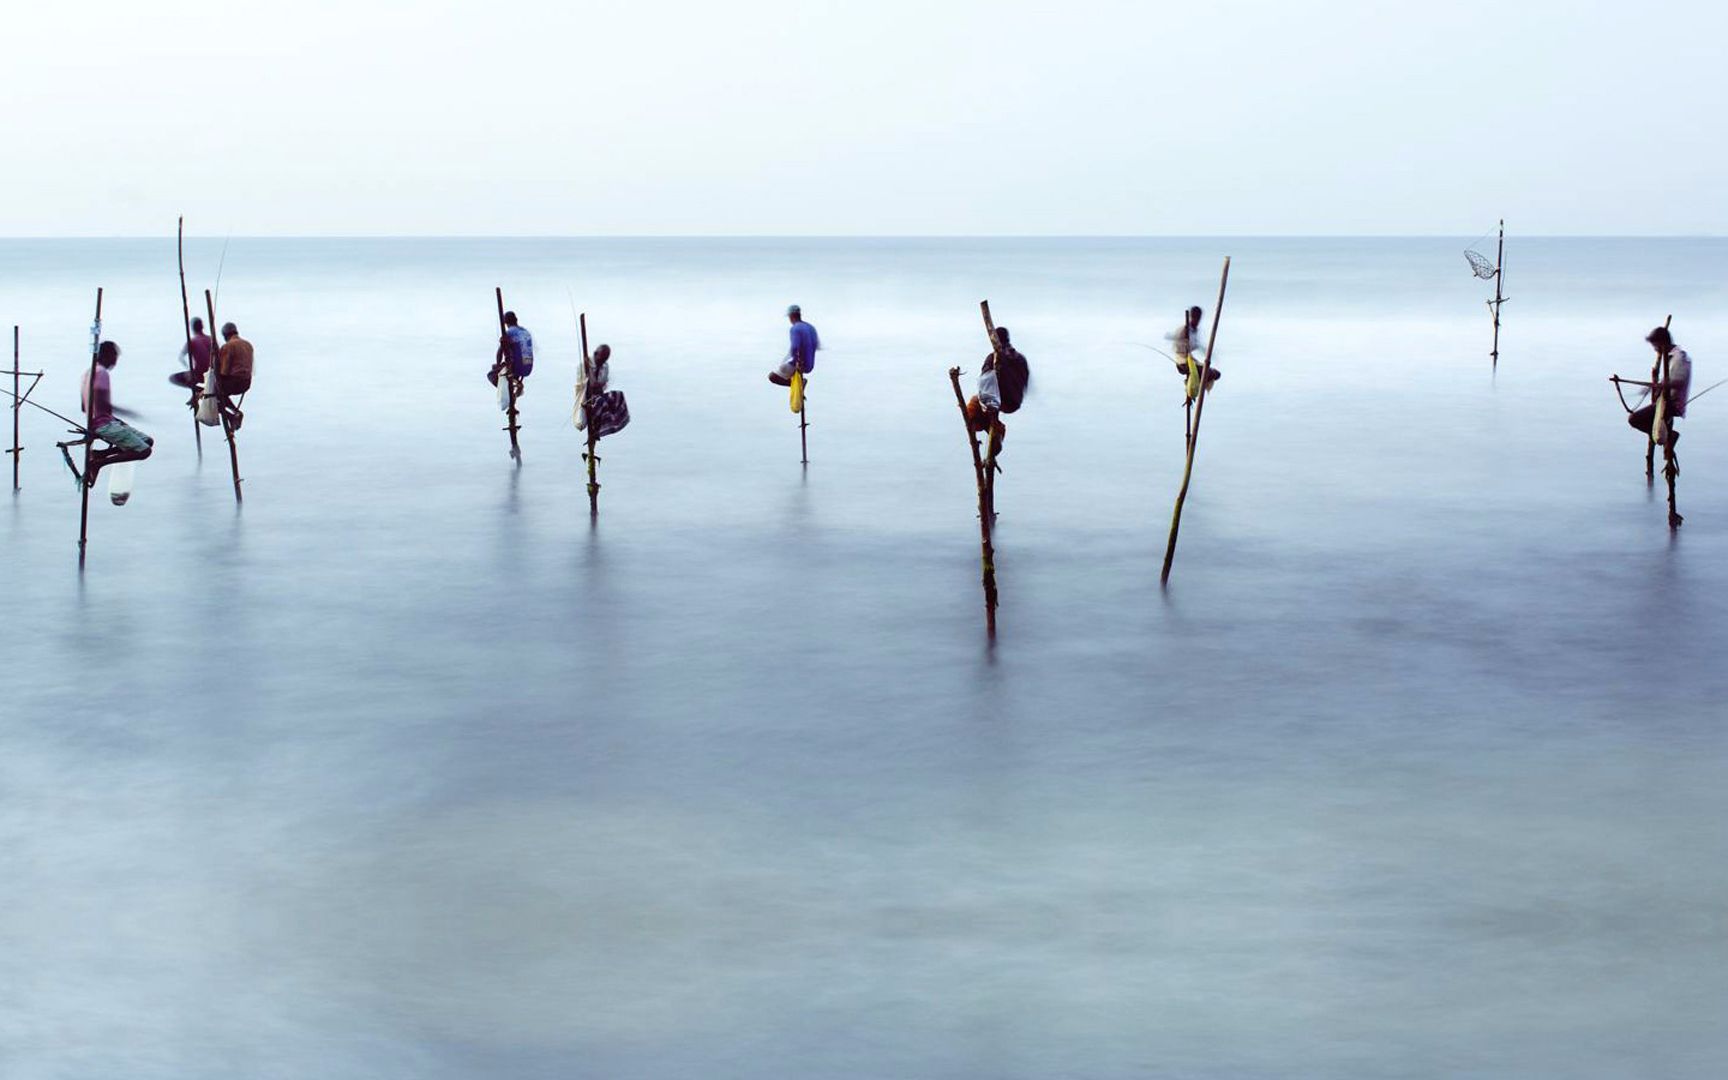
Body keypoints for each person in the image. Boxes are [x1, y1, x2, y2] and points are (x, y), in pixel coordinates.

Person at [79, 341, 153, 485]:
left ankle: (99, 454)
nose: (115, 361)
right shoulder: (102, 373)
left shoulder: (88, 373)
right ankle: (98, 463)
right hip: (103, 425)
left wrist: (114, 418)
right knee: (145, 451)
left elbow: (84, 407)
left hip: (99, 421)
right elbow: (102, 403)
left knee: (147, 441)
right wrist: (126, 412)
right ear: (107, 355)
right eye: (115, 357)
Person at [965, 326, 1030, 458]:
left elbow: (985, 382)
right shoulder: (1021, 359)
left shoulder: (994, 358)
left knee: (973, 406)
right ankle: (996, 432)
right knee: (984, 407)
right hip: (1015, 402)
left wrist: (988, 405)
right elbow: (1024, 383)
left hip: (1001, 399)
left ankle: (996, 431)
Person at [1629, 325, 1691, 449]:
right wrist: (1655, 387)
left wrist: (1660, 385)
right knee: (1647, 422)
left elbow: (1680, 381)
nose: (1655, 349)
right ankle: (1666, 435)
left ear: (1662, 343)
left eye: (1655, 345)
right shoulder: (1670, 358)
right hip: (1664, 402)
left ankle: (1669, 436)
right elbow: (1669, 381)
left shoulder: (1679, 357)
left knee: (1634, 419)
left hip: (1672, 404)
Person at [1166, 305, 1220, 402]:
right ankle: (1190, 393)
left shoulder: (1195, 331)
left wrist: (1207, 353)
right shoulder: (1185, 329)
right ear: (1191, 316)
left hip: (1191, 360)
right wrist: (1176, 338)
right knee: (1206, 372)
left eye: (1198, 318)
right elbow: (1177, 342)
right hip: (1182, 361)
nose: (1197, 320)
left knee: (1216, 374)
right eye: (1195, 317)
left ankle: (1190, 393)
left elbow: (1196, 345)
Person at [577, 343, 630, 438]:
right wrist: (589, 370)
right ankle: (595, 431)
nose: (602, 362)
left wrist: (598, 385)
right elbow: (591, 385)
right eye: (601, 359)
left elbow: (601, 385)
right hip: (587, 397)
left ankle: (612, 424)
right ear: (595, 354)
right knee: (600, 402)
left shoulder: (605, 366)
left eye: (604, 360)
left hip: (598, 394)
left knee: (618, 395)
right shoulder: (583, 365)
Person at [214, 321, 254, 431]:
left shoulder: (228, 346)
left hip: (234, 382)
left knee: (211, 398)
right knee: (220, 394)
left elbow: (224, 372)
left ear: (225, 335)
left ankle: (232, 416)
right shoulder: (248, 345)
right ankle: (235, 412)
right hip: (246, 382)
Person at [768, 305, 820, 385]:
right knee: (783, 367)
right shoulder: (811, 327)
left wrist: (799, 363)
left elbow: (796, 347)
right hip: (809, 365)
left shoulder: (795, 328)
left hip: (798, 364)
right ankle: (798, 382)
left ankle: (800, 383)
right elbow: (817, 345)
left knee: (772, 377)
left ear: (791, 316)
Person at [490, 311, 534, 398]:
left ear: (505, 323)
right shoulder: (526, 332)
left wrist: (498, 365)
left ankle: (511, 389)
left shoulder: (508, 333)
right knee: (512, 361)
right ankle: (517, 383)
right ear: (516, 320)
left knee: (492, 374)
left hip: (517, 368)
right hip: (528, 368)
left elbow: (500, 353)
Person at [169, 316, 214, 394]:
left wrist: (188, 369)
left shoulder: (193, 341)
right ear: (202, 327)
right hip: (212, 373)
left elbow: (181, 357)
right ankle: (202, 391)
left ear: (192, 328)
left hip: (199, 374)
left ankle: (200, 390)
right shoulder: (211, 339)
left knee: (173, 378)